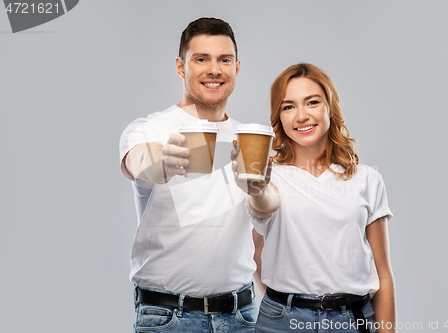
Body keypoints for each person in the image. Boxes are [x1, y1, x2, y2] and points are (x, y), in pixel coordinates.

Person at [119, 17, 263, 332]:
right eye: (201, 59)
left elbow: (255, 237)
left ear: (237, 67)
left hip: (243, 315)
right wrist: (162, 161)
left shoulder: (248, 139)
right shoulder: (151, 128)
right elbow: (137, 161)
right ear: (181, 67)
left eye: (224, 59)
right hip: (169, 318)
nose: (214, 69)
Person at [232, 63, 396, 332]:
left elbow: (384, 273)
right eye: (288, 106)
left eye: (312, 102)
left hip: (353, 321)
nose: (301, 116)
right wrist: (286, 303)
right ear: (279, 118)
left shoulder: (366, 179)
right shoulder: (268, 175)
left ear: (329, 107)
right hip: (282, 322)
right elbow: (256, 245)